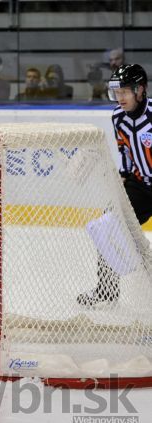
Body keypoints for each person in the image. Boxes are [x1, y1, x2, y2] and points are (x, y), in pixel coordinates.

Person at [76, 64, 151, 307]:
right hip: (140, 186)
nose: (120, 98)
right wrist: (123, 178)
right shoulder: (118, 116)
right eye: (116, 93)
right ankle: (106, 291)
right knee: (108, 227)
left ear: (140, 90)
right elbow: (124, 149)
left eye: (125, 92)